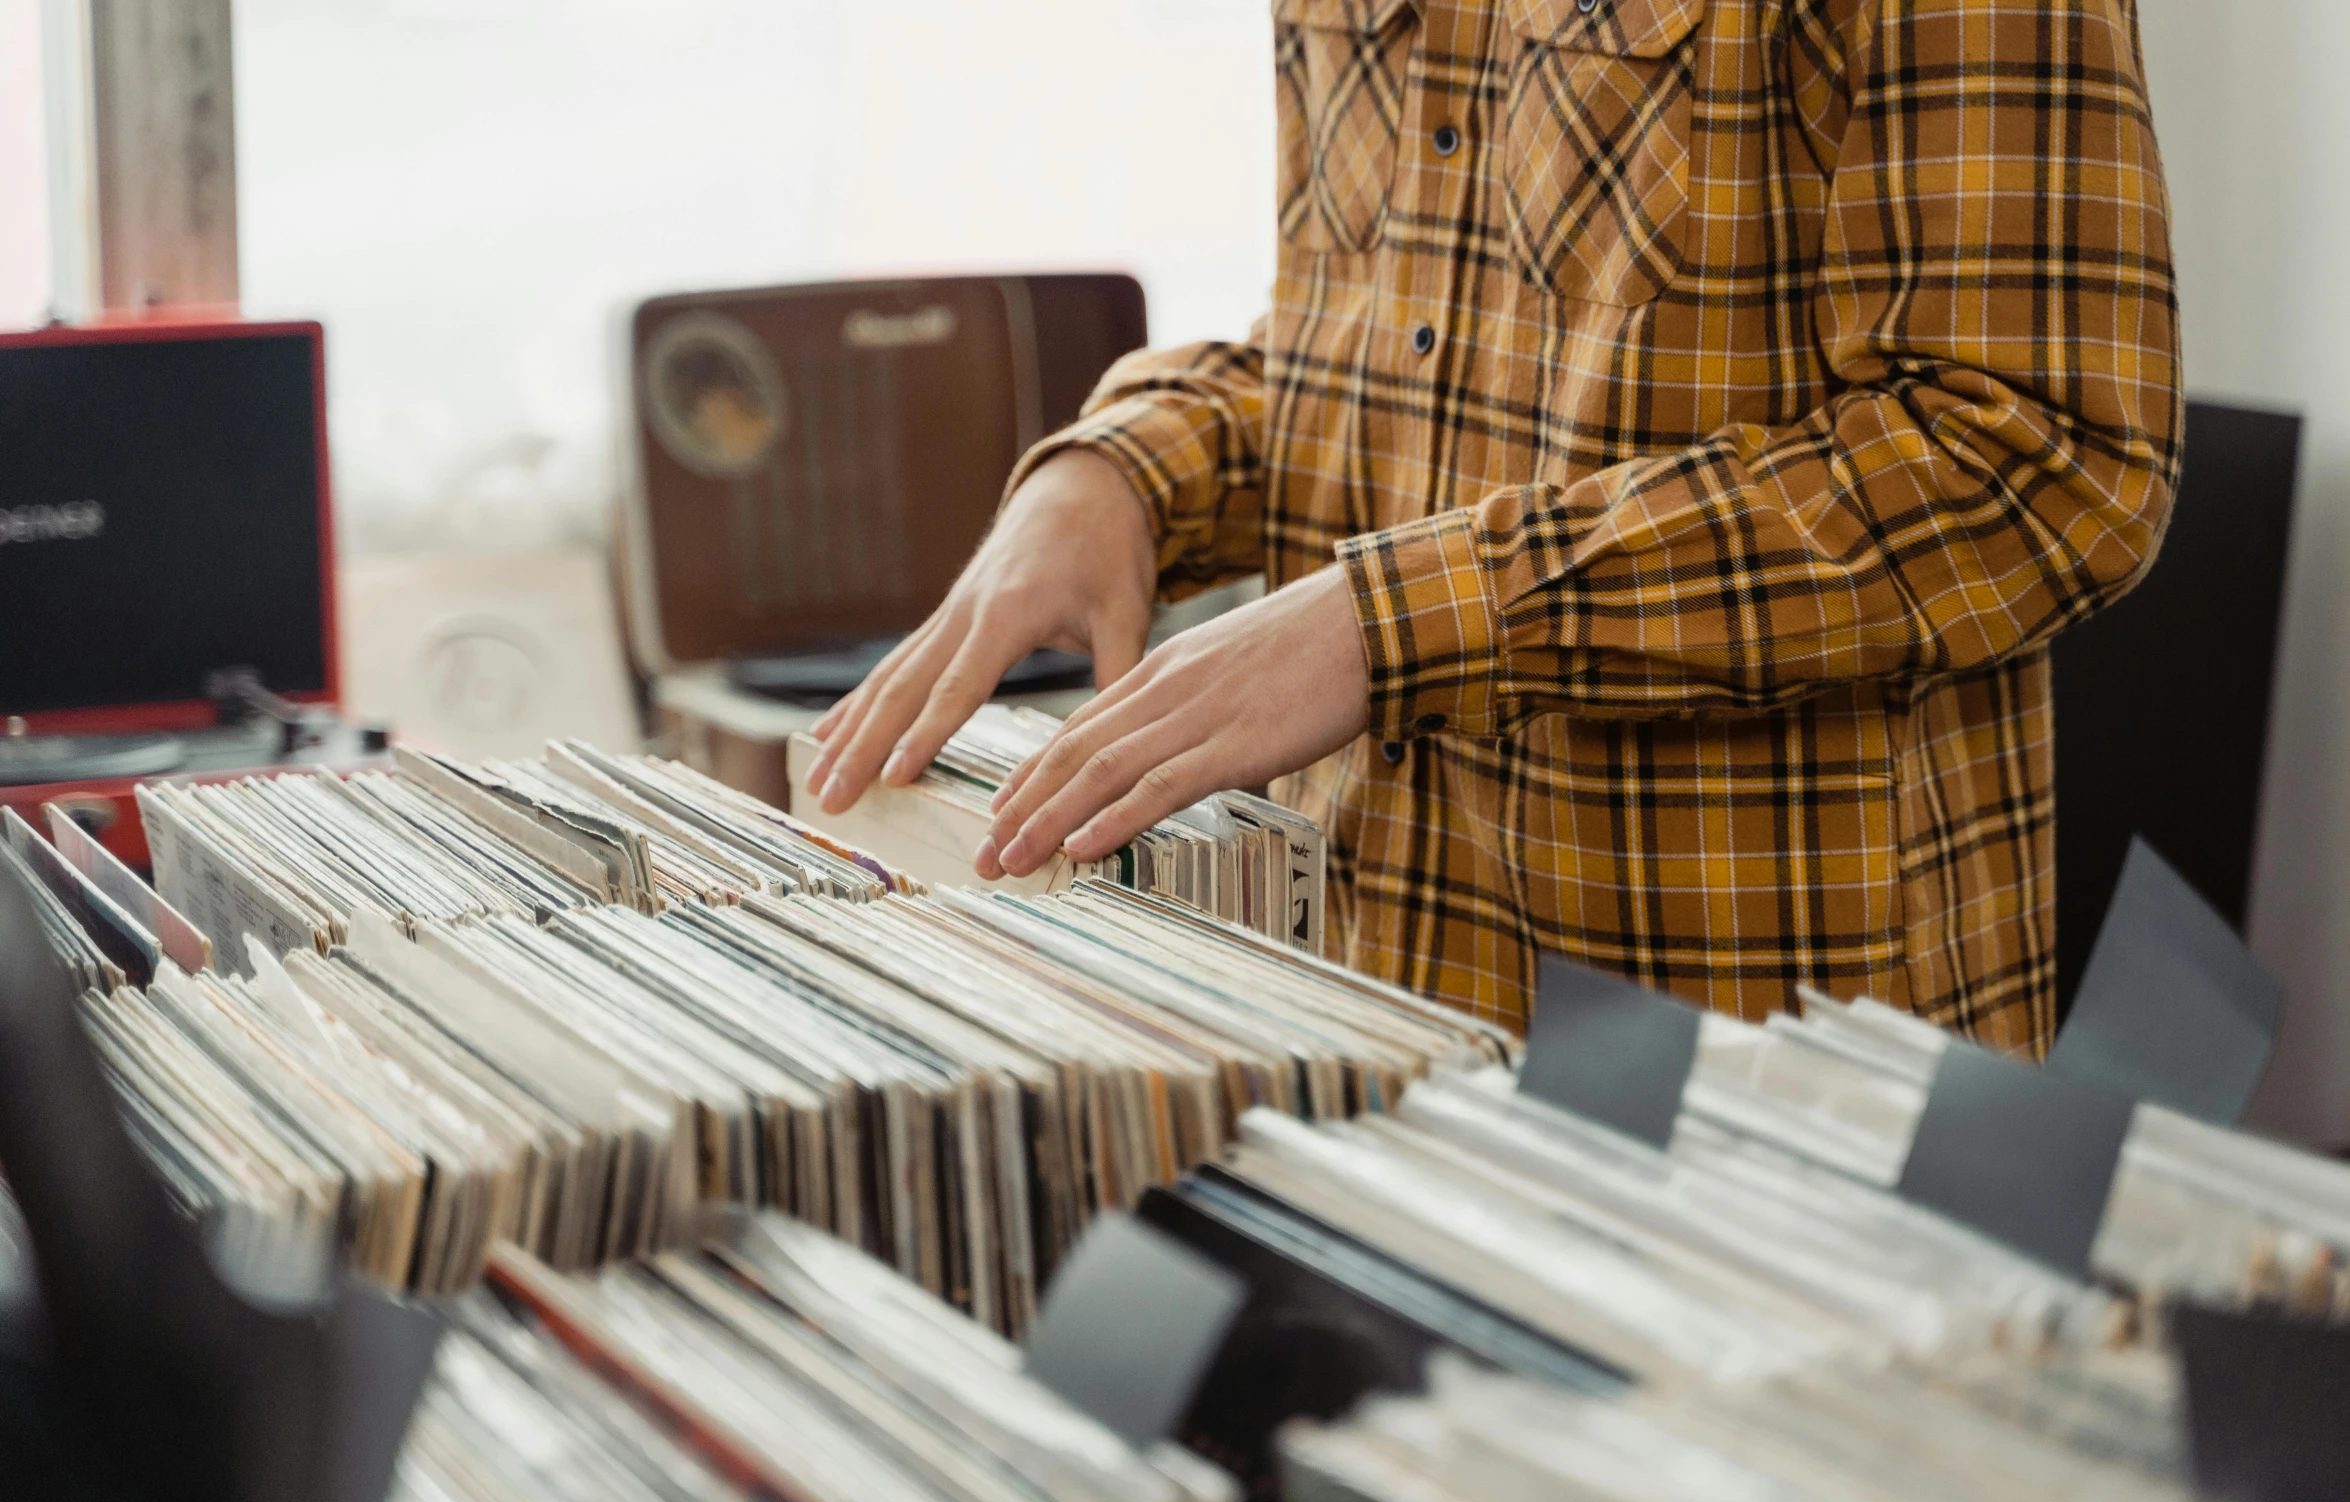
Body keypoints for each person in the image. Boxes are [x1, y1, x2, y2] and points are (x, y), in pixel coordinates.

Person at [805, 0, 2180, 1054]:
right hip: (1353, 987)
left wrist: (1391, 621)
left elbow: (2044, 454)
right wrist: (1121, 467)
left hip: (1750, 1052)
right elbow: (1386, 349)